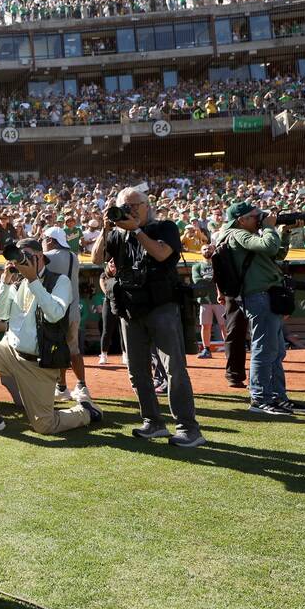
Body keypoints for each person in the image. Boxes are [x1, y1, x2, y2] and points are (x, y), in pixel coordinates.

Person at [91, 187, 205, 447]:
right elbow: (97, 258)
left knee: (173, 368)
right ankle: (153, 422)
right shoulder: (117, 234)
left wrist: (137, 230)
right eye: (124, 206)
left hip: (161, 306)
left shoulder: (164, 227)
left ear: (146, 205)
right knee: (137, 370)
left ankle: (189, 428)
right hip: (129, 309)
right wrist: (106, 227)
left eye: (134, 206)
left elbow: (162, 253)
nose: (129, 211)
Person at [0, 240, 103, 434]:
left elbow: (55, 314)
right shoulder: (17, 281)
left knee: (45, 425)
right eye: (18, 257)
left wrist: (33, 281)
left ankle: (85, 412)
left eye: (25, 256)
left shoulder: (59, 281)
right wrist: (4, 282)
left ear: (40, 257)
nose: (20, 262)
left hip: (37, 363)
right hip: (8, 351)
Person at [218, 203, 305, 415]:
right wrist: (269, 226)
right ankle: (259, 399)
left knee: (276, 350)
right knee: (264, 349)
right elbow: (268, 246)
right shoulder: (236, 234)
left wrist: (284, 233)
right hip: (258, 297)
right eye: (255, 216)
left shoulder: (248, 236)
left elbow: (276, 254)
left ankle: (277, 397)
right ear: (241, 219)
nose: (260, 218)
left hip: (267, 296)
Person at [43, 226, 91, 403]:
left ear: (50, 240)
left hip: (56, 313)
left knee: (57, 351)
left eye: (44, 238)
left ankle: (62, 387)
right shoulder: (73, 257)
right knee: (72, 349)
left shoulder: (48, 257)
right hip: (72, 312)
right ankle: (79, 385)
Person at [191, 255, 226, 359]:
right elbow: (197, 280)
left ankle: (229, 349)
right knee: (205, 326)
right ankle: (206, 349)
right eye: (204, 249)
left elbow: (222, 278)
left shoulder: (219, 264)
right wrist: (213, 279)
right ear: (201, 252)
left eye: (208, 248)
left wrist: (207, 279)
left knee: (225, 325)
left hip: (220, 300)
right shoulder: (197, 266)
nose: (207, 251)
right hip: (204, 300)